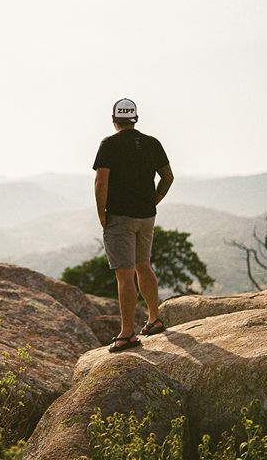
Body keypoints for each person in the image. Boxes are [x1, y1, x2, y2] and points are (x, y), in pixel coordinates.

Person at [92, 98, 174, 353]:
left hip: (120, 217)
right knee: (143, 266)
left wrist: (101, 214)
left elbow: (101, 181)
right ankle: (154, 318)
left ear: (114, 120)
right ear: (135, 118)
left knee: (125, 274)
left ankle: (127, 334)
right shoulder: (152, 143)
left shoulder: (109, 145)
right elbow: (168, 177)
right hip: (147, 216)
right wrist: (154, 199)